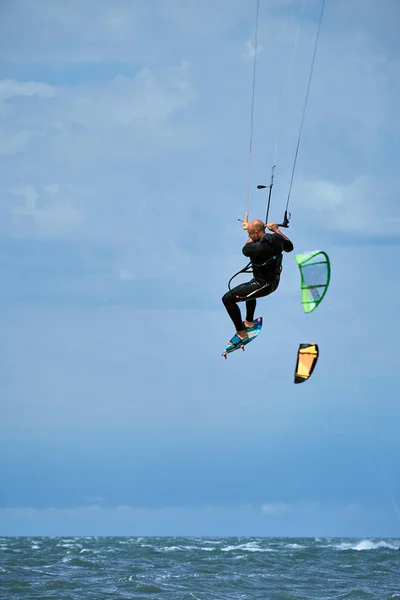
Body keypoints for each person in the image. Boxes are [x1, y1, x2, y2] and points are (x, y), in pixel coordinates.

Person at [222, 219, 294, 345]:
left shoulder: (255, 247)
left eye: (250, 233)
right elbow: (289, 247)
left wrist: (251, 234)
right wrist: (276, 230)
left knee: (227, 299)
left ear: (256, 233)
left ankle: (241, 333)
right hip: (273, 283)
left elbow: (245, 248)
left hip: (262, 286)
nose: (248, 236)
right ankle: (249, 322)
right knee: (248, 292)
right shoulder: (277, 239)